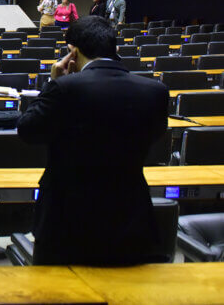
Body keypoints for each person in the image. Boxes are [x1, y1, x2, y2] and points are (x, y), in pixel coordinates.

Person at [17, 16, 167, 265]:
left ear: (71, 52)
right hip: (131, 221)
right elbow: (155, 135)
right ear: (114, 49)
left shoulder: (65, 88)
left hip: (67, 223)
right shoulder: (155, 91)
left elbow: (28, 130)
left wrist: (53, 82)